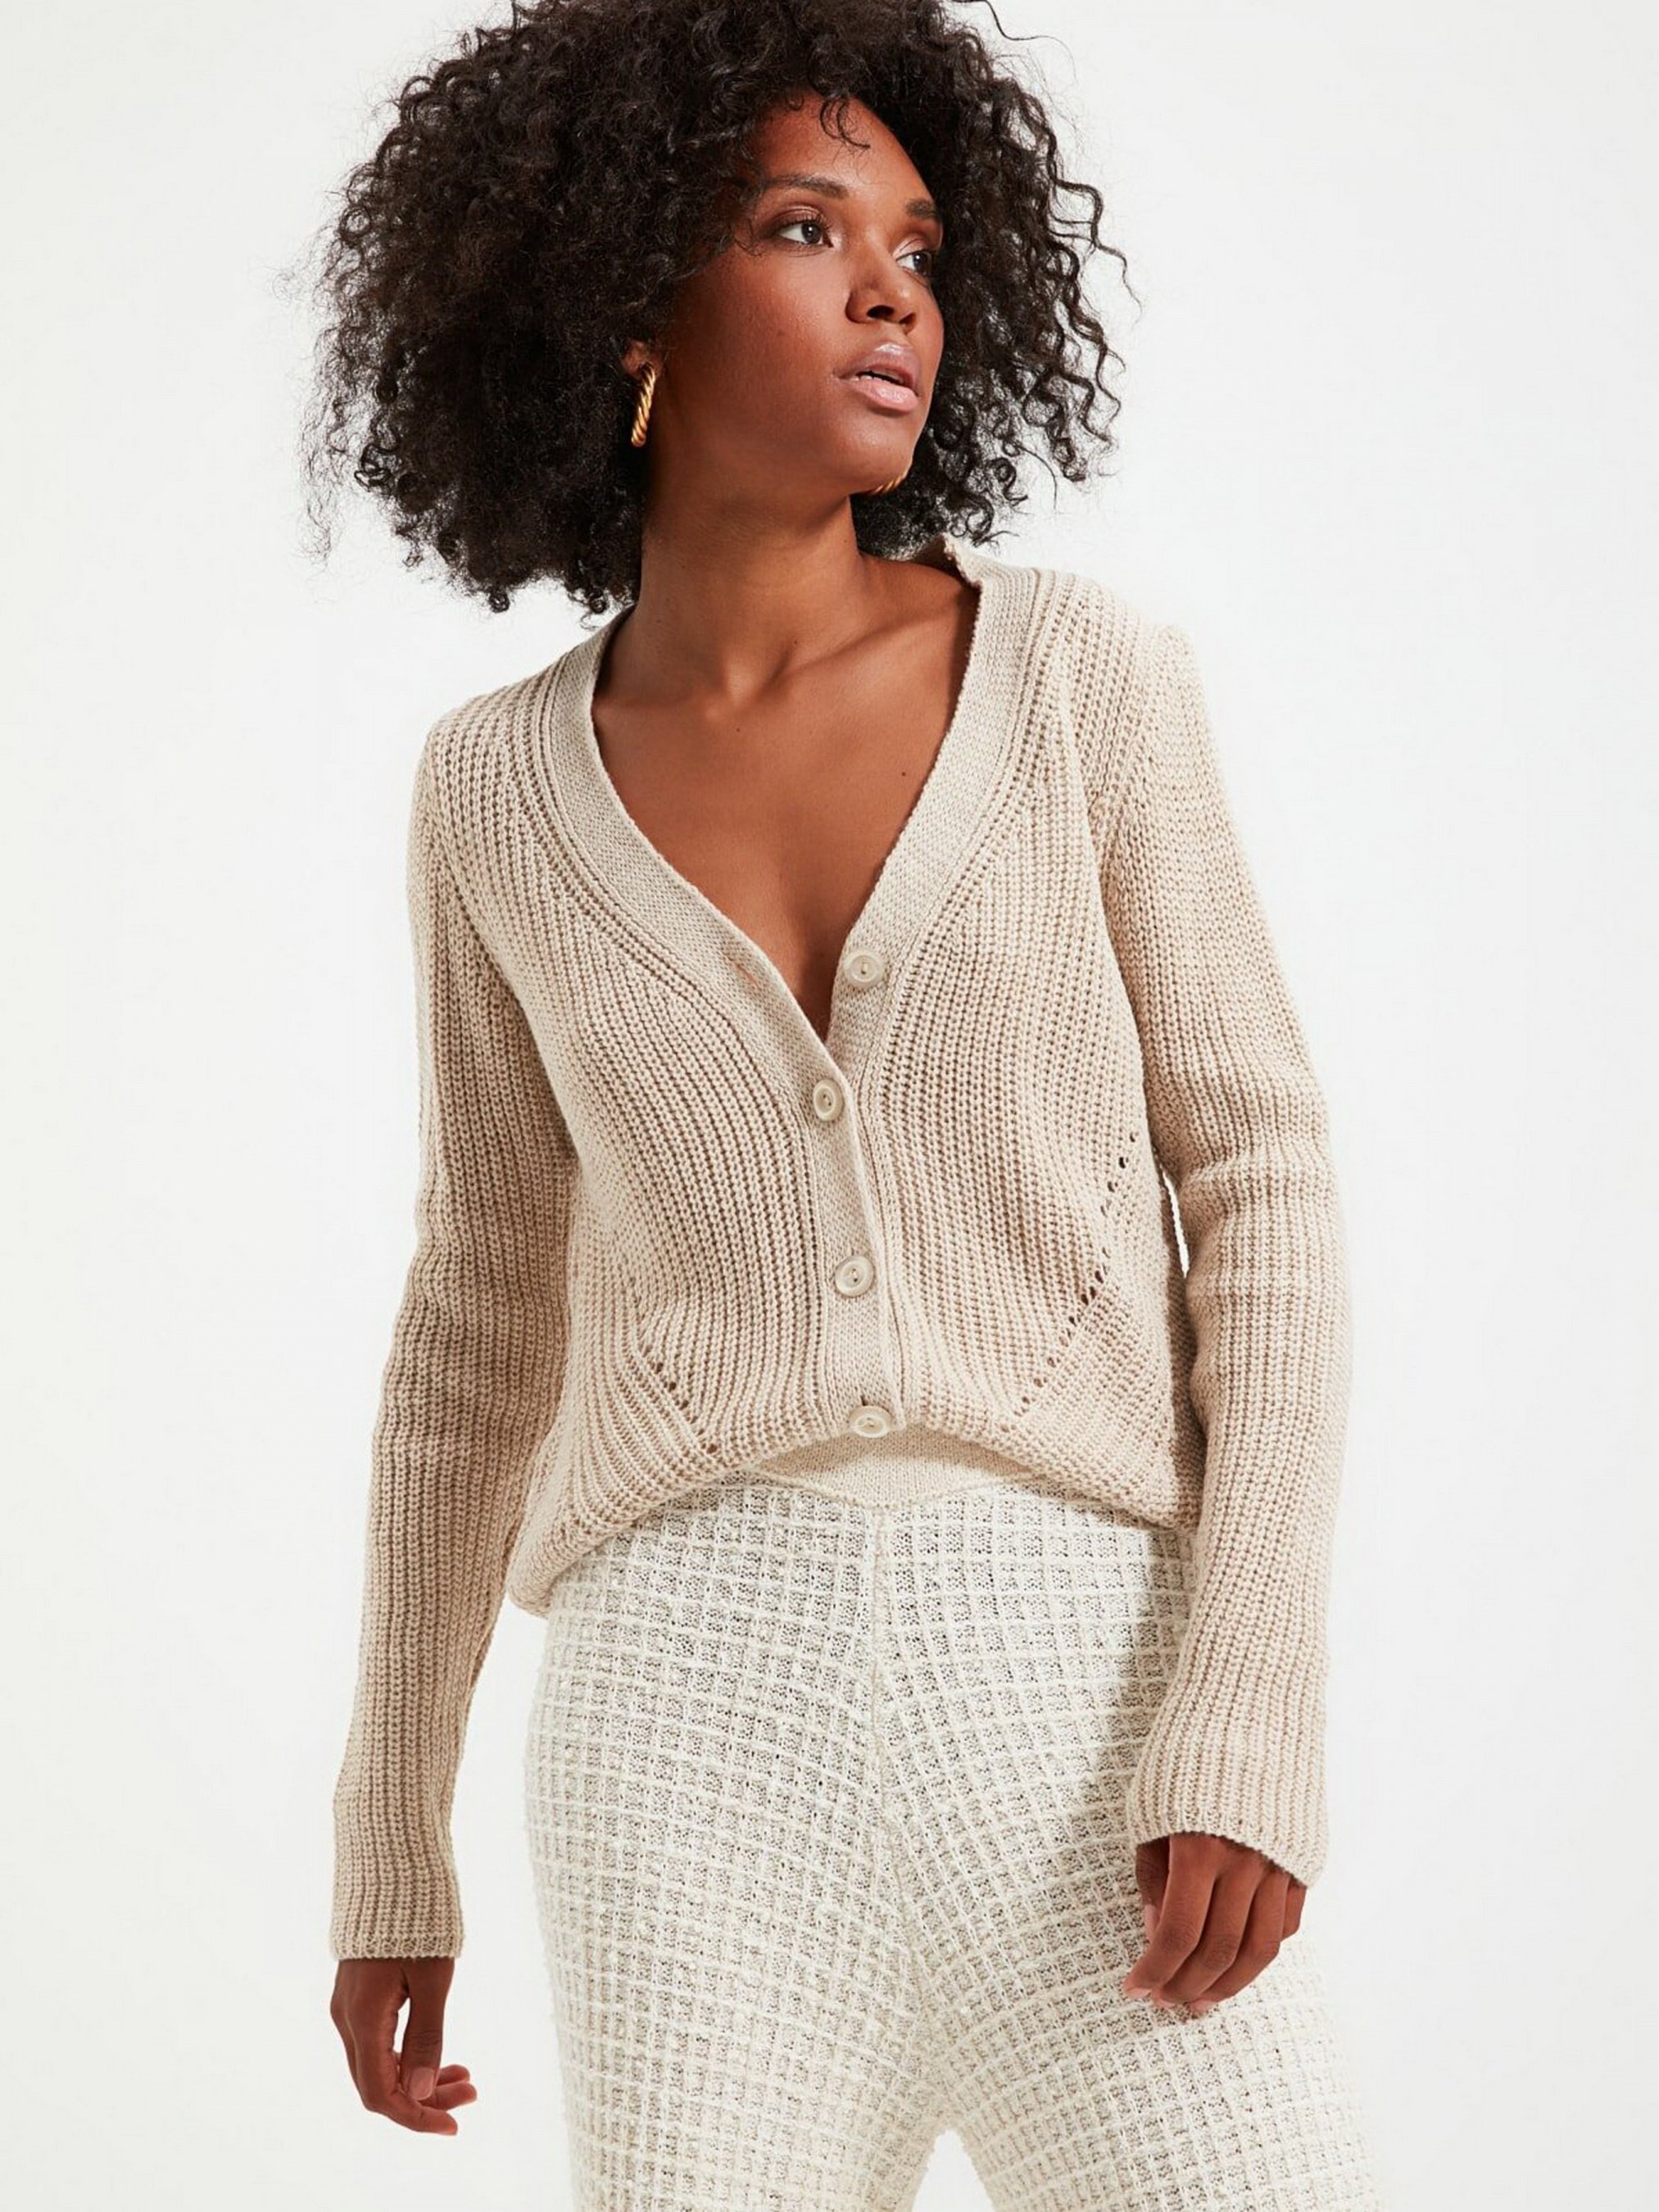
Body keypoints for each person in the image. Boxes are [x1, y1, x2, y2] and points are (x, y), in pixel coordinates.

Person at [306, 2, 1386, 2203]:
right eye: (804, 230)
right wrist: (389, 1827)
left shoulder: (1079, 680)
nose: (890, 290)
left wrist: (1248, 1699)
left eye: (916, 246)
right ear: (626, 302)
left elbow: (1259, 1182)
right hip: (683, 1745)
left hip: (1088, 1715)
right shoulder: (493, 791)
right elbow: (476, 1324)